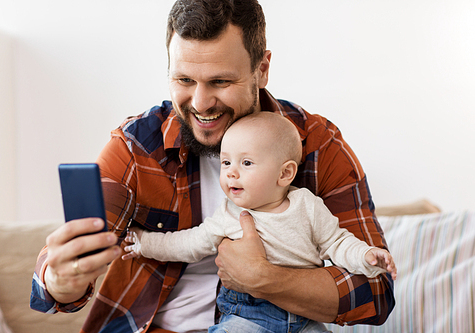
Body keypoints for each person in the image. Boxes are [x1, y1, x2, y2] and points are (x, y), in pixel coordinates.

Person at [30, 1, 395, 332]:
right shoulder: (137, 147)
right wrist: (60, 279)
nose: (201, 103)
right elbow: (59, 278)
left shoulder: (315, 143)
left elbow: (376, 293)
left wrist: (264, 278)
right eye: (184, 80)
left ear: (262, 69)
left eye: (221, 81)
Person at [122, 112, 397, 333]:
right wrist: (144, 243)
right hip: (248, 317)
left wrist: (366, 256)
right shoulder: (228, 215)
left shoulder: (307, 206)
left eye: (247, 163)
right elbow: (187, 243)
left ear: (285, 173)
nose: (231, 173)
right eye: (226, 162)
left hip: (305, 318)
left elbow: (338, 243)